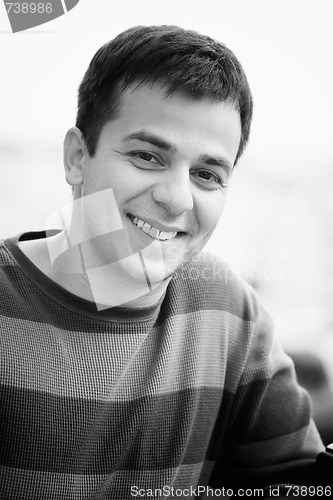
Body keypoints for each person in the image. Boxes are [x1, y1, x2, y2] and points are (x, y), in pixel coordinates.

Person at [0, 25, 329, 498]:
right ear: (77, 157)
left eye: (206, 174)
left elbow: (295, 485)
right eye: (147, 156)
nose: (177, 199)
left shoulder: (229, 312)